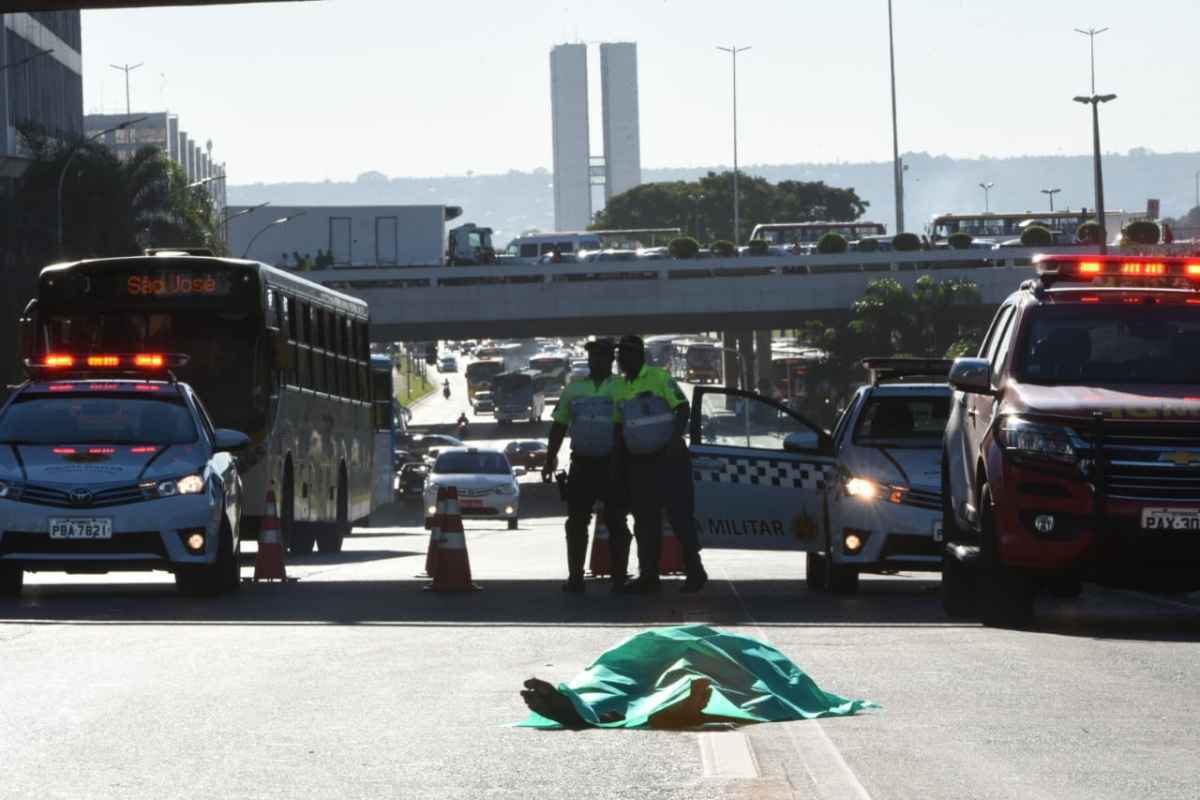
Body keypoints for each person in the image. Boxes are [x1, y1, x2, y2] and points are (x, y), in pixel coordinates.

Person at [611, 335, 707, 594]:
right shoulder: (619, 387)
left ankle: (695, 571)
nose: (621, 359)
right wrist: (619, 465)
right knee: (644, 522)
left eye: (626, 354)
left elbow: (683, 408)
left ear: (639, 355)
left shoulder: (659, 378)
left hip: (669, 460)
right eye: (619, 354)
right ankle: (649, 577)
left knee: (680, 518)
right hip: (639, 464)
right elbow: (619, 428)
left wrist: (673, 440)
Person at [543, 338, 633, 592]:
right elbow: (559, 425)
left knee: (617, 522)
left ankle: (619, 579)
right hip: (581, 465)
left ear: (611, 360)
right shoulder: (574, 389)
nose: (598, 362)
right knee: (576, 523)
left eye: (603, 357)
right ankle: (575, 578)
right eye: (594, 357)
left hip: (613, 466)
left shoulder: (622, 387)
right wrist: (549, 459)